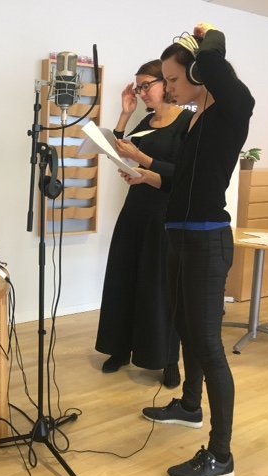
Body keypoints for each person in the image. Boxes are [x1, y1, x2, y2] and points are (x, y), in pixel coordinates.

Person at [123, 24, 254, 476]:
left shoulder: (233, 108)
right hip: (180, 234)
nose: (169, 87)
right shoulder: (197, 118)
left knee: (208, 345)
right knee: (185, 327)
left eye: (174, 79)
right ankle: (190, 406)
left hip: (206, 239)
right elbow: (184, 178)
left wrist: (209, 37)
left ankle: (221, 455)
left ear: (200, 74)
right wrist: (148, 175)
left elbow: (218, 66)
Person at [95, 59, 193, 388]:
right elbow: (120, 151)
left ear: (166, 83)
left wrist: (143, 162)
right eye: (139, 87)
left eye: (146, 85)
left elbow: (182, 174)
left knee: (160, 289)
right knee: (124, 279)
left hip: (164, 216)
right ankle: (119, 349)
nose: (142, 92)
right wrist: (125, 114)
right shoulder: (145, 121)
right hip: (135, 210)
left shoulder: (187, 122)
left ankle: (167, 359)